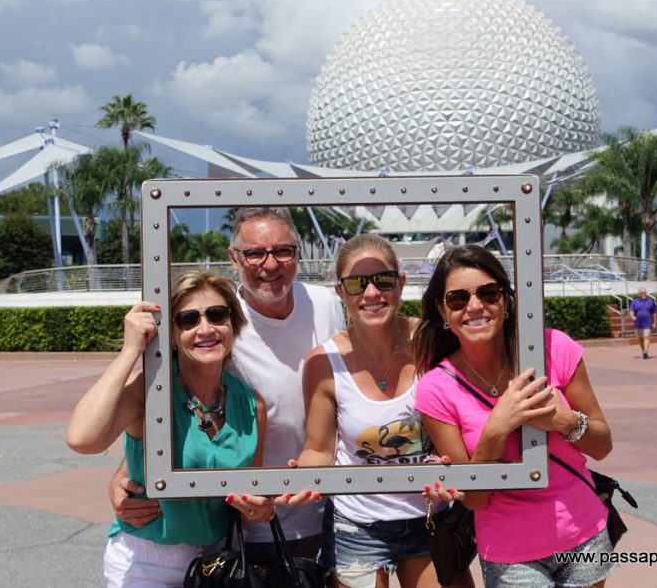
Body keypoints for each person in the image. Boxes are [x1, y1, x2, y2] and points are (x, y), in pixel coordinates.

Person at [109, 207, 345, 566]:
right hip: (250, 523)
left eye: (283, 250)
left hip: (329, 507)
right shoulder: (219, 320)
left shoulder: (325, 304)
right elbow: (177, 401)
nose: (270, 264)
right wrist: (126, 473)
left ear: (297, 254)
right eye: (255, 253)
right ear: (234, 258)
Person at [414, 244, 615, 588]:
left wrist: (564, 421)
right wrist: (496, 429)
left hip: (584, 533)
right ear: (442, 310)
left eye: (488, 293)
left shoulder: (554, 348)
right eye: (458, 299)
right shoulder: (436, 388)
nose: (475, 306)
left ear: (506, 301)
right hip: (510, 551)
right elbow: (475, 498)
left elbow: (602, 445)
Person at [67, 270, 272, 588]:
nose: (206, 329)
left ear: (233, 324)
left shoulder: (250, 404)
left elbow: (250, 493)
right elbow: (83, 439)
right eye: (188, 320)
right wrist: (130, 351)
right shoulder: (151, 392)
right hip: (147, 563)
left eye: (217, 315)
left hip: (220, 562)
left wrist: (260, 510)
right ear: (172, 335)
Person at [284, 234, 465, 588]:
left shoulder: (433, 342)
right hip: (357, 524)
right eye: (356, 284)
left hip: (432, 514)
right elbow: (318, 448)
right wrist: (304, 478)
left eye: (383, 280)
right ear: (340, 292)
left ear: (400, 283)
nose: (371, 293)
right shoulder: (322, 362)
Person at [628, 288, 657, 358]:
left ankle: (645, 352)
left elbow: (655, 313)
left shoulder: (651, 301)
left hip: (647, 323)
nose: (644, 294)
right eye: (642, 292)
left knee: (646, 337)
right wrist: (633, 317)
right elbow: (631, 312)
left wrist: (655, 322)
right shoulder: (634, 302)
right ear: (639, 294)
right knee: (640, 338)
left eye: (645, 292)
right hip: (638, 323)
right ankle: (644, 350)